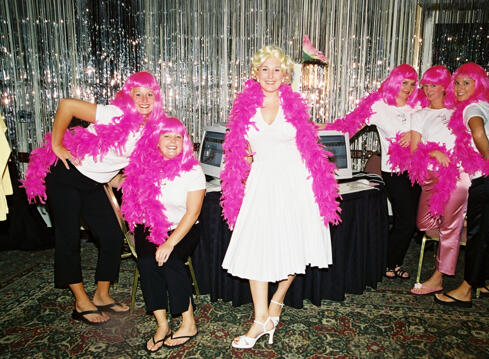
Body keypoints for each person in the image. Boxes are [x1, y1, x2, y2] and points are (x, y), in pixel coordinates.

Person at [220, 45, 341, 349]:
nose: (271, 75)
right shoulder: (244, 108)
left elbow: (310, 144)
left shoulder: (295, 107)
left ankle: (275, 304)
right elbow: (241, 151)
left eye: (277, 70)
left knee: (294, 247)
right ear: (255, 73)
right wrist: (241, 166)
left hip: (296, 184)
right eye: (265, 69)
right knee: (255, 249)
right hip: (262, 184)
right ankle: (260, 318)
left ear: (286, 75)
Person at [22, 72, 165, 325]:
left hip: (94, 183)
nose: (144, 99)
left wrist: (119, 179)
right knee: (68, 238)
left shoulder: (151, 131)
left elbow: (123, 162)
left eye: (150, 94)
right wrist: (57, 145)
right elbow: (67, 105)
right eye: (138, 93)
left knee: (111, 235)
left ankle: (101, 295)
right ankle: (80, 301)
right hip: (67, 175)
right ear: (128, 96)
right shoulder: (113, 114)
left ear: (157, 98)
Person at [325, 64, 421, 279]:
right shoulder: (379, 105)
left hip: (419, 170)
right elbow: (350, 127)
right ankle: (389, 262)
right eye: (404, 82)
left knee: (410, 220)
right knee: (405, 220)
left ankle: (393, 261)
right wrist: (325, 137)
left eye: (413, 84)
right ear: (395, 81)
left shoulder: (418, 105)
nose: (408, 88)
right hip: (394, 171)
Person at [120, 117, 205, 352]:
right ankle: (162, 324)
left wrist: (169, 243)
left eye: (178, 136)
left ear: (185, 142)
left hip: (184, 227)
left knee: (169, 259)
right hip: (150, 225)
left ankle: (189, 323)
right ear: (156, 141)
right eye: (167, 135)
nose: (173, 141)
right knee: (147, 261)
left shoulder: (193, 170)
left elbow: (193, 212)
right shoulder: (145, 167)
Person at [434, 63, 489, 307]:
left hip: (487, 179)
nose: (459, 88)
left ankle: (466, 288)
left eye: (466, 83)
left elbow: (478, 134)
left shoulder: (471, 107)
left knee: (479, 235)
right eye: (457, 83)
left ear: (478, 85)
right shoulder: (487, 106)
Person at [401, 65, 471, 295]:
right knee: (423, 224)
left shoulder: (459, 111)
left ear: (444, 87)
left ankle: (438, 278)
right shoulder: (419, 114)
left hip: (456, 177)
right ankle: (463, 226)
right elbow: (414, 148)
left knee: (448, 229)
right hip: (430, 179)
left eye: (434, 86)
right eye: (426, 86)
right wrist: (433, 152)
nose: (428, 90)